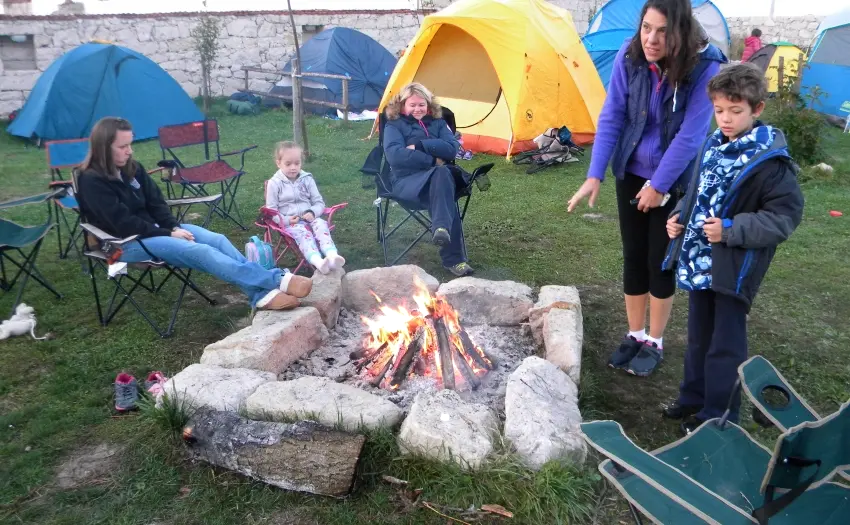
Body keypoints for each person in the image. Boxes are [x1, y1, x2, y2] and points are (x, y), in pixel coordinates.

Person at [567, 0, 726, 377]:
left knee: (660, 259)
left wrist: (659, 184)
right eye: (646, 28)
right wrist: (595, 173)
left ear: (681, 32)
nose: (651, 39)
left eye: (662, 31)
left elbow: (691, 135)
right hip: (632, 172)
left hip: (674, 180)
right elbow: (613, 115)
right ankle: (634, 333)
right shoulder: (630, 55)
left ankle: (655, 340)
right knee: (634, 255)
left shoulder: (705, 65)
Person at [663, 64, 803, 434]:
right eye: (719, 110)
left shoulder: (770, 163)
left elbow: (783, 218)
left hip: (734, 269)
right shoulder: (712, 145)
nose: (725, 119)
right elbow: (699, 192)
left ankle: (717, 414)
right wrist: (678, 216)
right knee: (698, 338)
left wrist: (730, 229)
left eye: (735, 111)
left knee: (725, 345)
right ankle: (692, 397)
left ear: (757, 109)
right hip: (699, 263)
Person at [75, 117, 312, 311]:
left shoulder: (132, 168)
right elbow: (122, 224)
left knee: (217, 240)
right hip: (123, 243)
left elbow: (157, 203)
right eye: (122, 147)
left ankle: (260, 295)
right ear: (104, 148)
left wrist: (173, 227)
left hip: (155, 231)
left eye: (130, 144)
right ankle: (276, 280)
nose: (130, 151)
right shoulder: (91, 180)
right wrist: (168, 233)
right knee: (200, 251)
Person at [383, 82, 472, 277]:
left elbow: (452, 149)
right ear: (402, 105)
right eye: (412, 105)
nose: (417, 109)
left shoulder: (438, 123)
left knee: (442, 176)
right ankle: (454, 258)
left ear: (428, 104)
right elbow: (395, 156)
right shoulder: (394, 125)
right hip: (406, 182)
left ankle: (441, 228)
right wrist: (433, 159)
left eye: (421, 104)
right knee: (443, 181)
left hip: (437, 182)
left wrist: (420, 145)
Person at [265, 141, 345, 275]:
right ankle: (318, 261)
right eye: (288, 164)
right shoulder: (274, 183)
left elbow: (319, 202)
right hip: (291, 223)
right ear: (278, 163)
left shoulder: (307, 179)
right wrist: (286, 220)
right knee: (303, 234)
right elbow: (271, 211)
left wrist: (312, 212)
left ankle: (332, 256)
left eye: (297, 163)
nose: (293, 168)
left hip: (310, 218)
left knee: (321, 224)